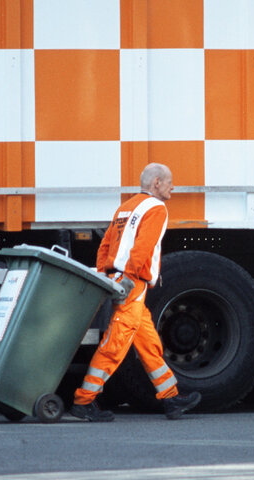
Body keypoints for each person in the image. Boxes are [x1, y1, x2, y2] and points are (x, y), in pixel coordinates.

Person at [70, 163, 201, 422]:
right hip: (133, 284)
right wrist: (129, 278)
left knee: (148, 342)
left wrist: (105, 275)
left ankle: (171, 398)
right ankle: (83, 401)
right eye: (169, 182)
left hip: (120, 280)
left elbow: (106, 244)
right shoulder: (157, 208)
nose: (172, 187)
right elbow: (143, 246)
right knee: (115, 344)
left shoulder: (126, 207)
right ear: (156, 183)